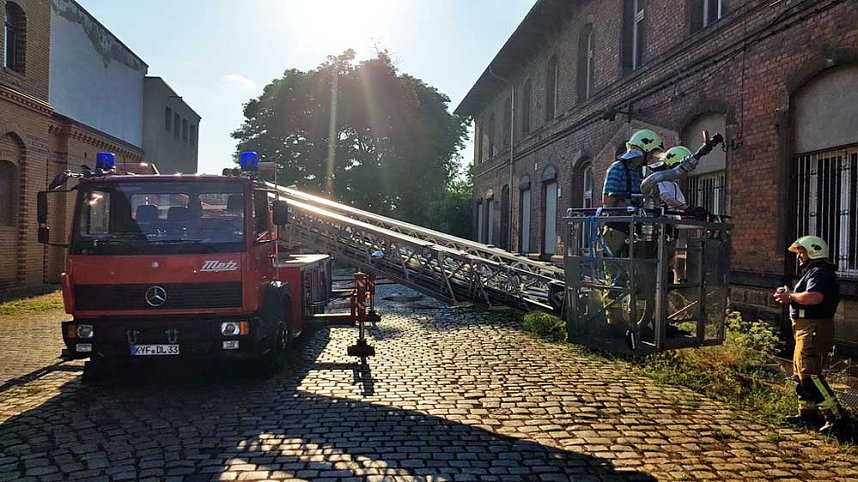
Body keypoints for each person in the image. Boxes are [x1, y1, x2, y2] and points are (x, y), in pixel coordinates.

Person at [773, 235, 844, 432]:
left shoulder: (819, 272)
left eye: (801, 252)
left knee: (810, 375)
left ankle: (836, 417)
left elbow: (814, 297)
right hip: (806, 328)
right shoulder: (815, 272)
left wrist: (790, 296)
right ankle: (807, 414)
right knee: (801, 374)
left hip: (813, 329)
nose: (799, 257)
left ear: (813, 251)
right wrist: (790, 294)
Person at [600, 129, 664, 330]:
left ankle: (639, 322)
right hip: (617, 229)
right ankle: (614, 323)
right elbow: (607, 201)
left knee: (640, 276)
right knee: (616, 276)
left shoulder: (639, 172)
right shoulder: (617, 168)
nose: (651, 158)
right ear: (643, 150)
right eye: (651, 153)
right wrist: (630, 203)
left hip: (635, 228)